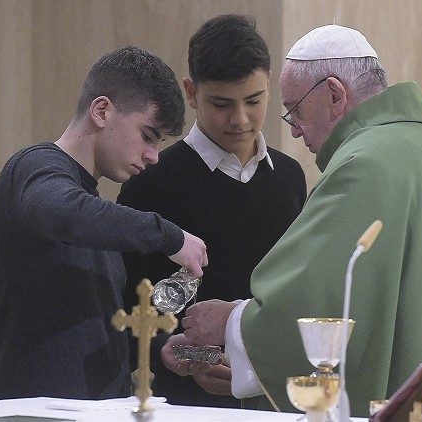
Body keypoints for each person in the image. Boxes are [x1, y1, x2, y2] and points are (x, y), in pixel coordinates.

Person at [164, 24, 422, 417]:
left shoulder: (365, 164)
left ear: (334, 94)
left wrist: (232, 325)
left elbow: (321, 300)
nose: (293, 129)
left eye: (294, 110)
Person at [0, 45, 208, 400]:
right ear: (102, 110)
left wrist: (157, 350)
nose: (153, 157)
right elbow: (65, 213)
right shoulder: (33, 169)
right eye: (148, 136)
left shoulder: (94, 214)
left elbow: (91, 335)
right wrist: (169, 236)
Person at [117, 15, 306, 408]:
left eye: (254, 101)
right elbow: (130, 308)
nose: (240, 119)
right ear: (191, 93)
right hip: (184, 403)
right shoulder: (150, 182)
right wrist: (185, 355)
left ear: (270, 87)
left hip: (274, 399)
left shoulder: (289, 178)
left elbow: (293, 296)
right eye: (221, 104)